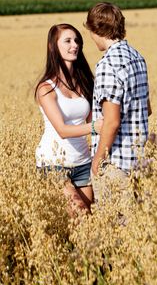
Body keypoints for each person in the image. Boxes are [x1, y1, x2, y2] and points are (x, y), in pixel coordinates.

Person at [85, 2, 152, 202]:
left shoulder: (107, 65)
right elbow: (147, 109)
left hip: (116, 164)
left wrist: (98, 160)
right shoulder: (137, 57)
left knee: (115, 228)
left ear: (96, 29)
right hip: (139, 162)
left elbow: (111, 121)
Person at [35, 23, 103, 213]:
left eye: (77, 41)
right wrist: (96, 127)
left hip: (82, 161)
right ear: (53, 46)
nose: (75, 45)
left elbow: (93, 118)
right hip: (54, 163)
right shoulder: (46, 88)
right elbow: (63, 130)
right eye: (67, 41)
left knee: (88, 214)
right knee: (79, 211)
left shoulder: (84, 83)